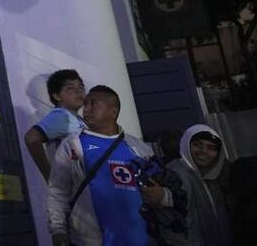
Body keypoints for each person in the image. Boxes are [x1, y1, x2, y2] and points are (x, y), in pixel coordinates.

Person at [47, 85, 169, 246]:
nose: (86, 108)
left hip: (140, 240)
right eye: (86, 103)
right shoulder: (73, 145)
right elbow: (58, 190)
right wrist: (58, 229)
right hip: (91, 240)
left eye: (94, 104)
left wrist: (163, 195)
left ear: (113, 111)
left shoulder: (139, 148)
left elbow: (163, 185)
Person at [166, 125, 232, 246]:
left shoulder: (212, 176)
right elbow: (175, 224)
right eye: (197, 144)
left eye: (211, 148)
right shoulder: (177, 174)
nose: (203, 151)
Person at [25, 69, 86, 181]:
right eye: (70, 88)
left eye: (81, 87)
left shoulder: (77, 119)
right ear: (57, 96)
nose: (78, 91)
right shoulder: (62, 116)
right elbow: (32, 139)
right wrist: (50, 178)